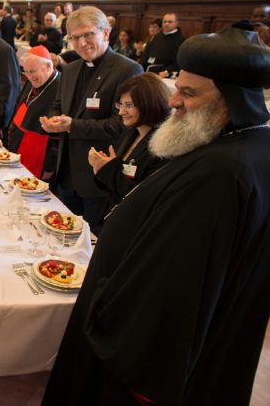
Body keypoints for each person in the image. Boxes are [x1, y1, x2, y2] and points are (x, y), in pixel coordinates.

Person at [44, 25, 270, 405]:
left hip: (142, 353)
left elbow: (174, 282)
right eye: (177, 88)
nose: (174, 102)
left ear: (230, 101)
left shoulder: (222, 171)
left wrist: (104, 307)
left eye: (189, 93)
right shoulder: (235, 146)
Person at [39, 6, 141, 233]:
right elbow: (58, 105)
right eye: (75, 37)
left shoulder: (128, 70)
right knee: (61, 233)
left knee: (90, 239)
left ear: (105, 33)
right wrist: (53, 121)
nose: (81, 43)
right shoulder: (72, 68)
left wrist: (73, 126)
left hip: (97, 177)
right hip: (65, 171)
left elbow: (122, 125)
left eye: (88, 34)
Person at [86, 73, 169, 222]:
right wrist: (101, 167)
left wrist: (108, 168)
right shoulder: (131, 132)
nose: (121, 112)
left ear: (150, 103)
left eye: (129, 105)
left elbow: (141, 196)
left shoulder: (163, 147)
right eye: (120, 104)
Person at [5, 45, 61, 181]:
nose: (29, 77)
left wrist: (49, 167)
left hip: (39, 156)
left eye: (32, 72)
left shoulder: (61, 87)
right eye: (26, 72)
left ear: (48, 66)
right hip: (19, 148)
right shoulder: (35, 79)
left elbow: (56, 138)